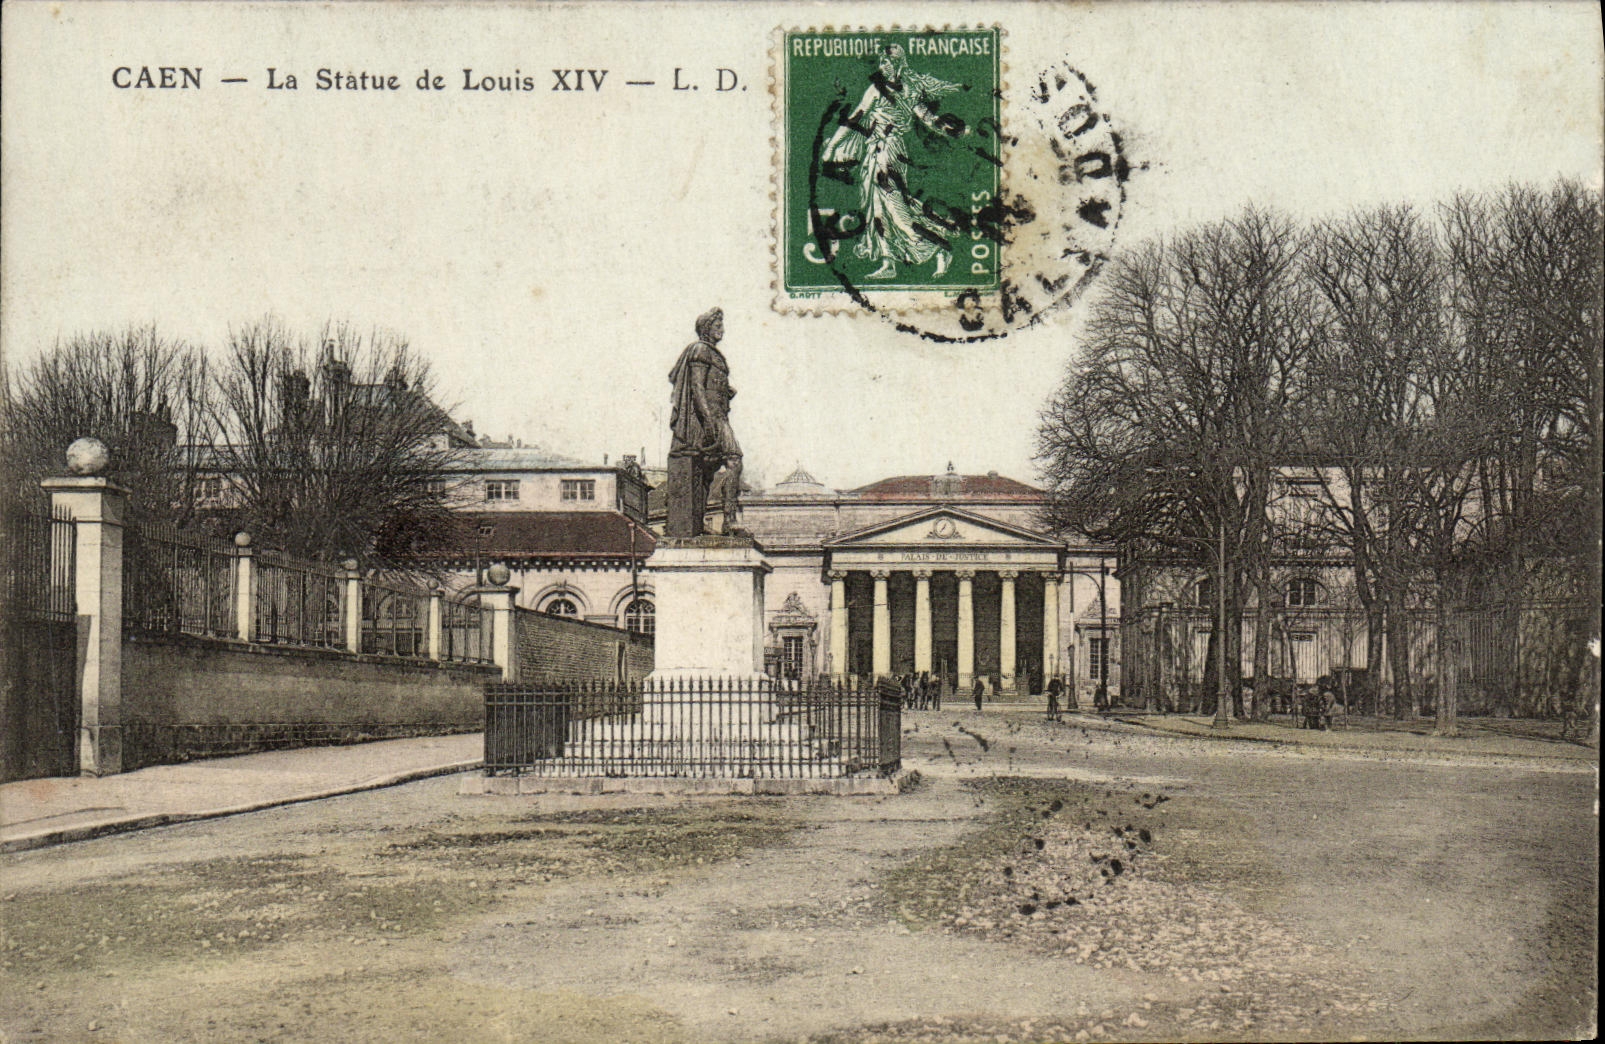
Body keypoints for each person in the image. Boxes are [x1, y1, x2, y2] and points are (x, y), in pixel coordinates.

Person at [820, 45, 966, 280]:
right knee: (876, 207)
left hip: (889, 151)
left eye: (886, 63)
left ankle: (938, 246)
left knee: (896, 209)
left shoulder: (905, 90)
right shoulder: (880, 89)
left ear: (898, 64)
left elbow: (925, 116)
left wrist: (947, 127)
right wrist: (832, 145)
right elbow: (855, 117)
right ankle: (888, 262)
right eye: (880, 63)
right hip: (875, 151)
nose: (881, 67)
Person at [665, 307, 742, 538]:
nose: (722, 330)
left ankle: (705, 524)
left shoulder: (714, 354)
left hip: (718, 414)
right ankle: (728, 520)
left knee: (708, 470)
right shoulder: (700, 350)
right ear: (707, 328)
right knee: (733, 460)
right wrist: (708, 420)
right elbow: (697, 387)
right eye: (718, 326)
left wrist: (726, 390)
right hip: (710, 417)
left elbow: (710, 385)